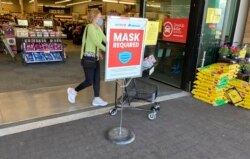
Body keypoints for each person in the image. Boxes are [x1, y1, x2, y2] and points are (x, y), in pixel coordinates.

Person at [67, 9, 107, 106]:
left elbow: (104, 39)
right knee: (89, 81)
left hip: (95, 58)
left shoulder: (98, 28)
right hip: (88, 58)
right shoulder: (90, 27)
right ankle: (73, 91)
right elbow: (96, 42)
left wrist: (113, 45)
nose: (101, 19)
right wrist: (108, 49)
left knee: (97, 79)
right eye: (99, 17)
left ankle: (96, 98)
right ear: (94, 17)